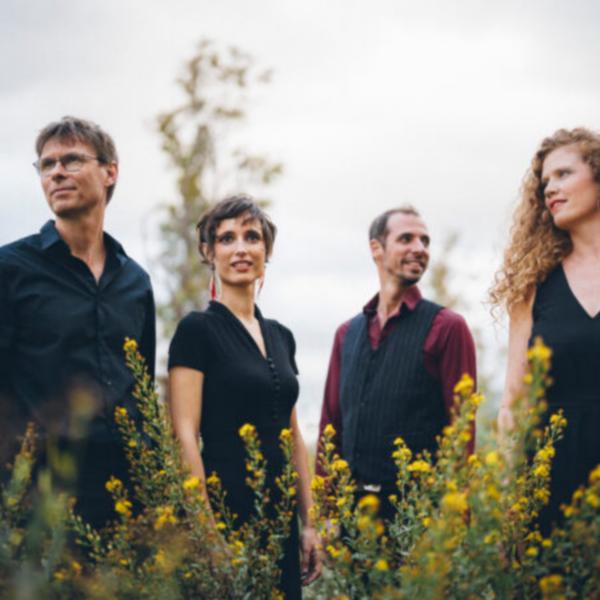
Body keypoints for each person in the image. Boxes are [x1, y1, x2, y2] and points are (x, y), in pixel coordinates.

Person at [0, 116, 156, 529]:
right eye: (46, 165)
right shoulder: (9, 269)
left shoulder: (136, 282)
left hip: (125, 497)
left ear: (110, 172)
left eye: (71, 160)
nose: (57, 173)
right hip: (39, 496)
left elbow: (143, 389)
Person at [168, 195, 320, 598]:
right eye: (227, 238)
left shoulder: (282, 336)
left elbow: (293, 436)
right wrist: (207, 535)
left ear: (266, 251)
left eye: (252, 237)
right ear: (208, 252)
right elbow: (185, 436)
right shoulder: (196, 331)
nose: (240, 248)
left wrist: (309, 523)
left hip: (280, 519)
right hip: (225, 514)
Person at [317, 206, 477, 518]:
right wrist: (325, 514)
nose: (419, 249)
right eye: (406, 239)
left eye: (425, 241)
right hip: (351, 519)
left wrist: (453, 523)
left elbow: (462, 432)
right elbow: (330, 427)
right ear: (376, 248)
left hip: (418, 519)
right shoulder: (346, 334)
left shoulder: (447, 328)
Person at [491, 127, 600, 533]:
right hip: (550, 477)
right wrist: (506, 498)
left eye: (564, 174)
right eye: (544, 182)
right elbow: (513, 402)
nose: (550, 188)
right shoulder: (532, 285)